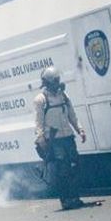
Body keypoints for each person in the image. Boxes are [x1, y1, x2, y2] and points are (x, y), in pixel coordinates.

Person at [34, 66, 87, 210]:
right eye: (55, 81)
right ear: (48, 82)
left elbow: (72, 115)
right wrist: (41, 139)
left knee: (74, 166)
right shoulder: (41, 100)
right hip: (54, 140)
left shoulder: (63, 96)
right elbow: (38, 122)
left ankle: (75, 197)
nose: (58, 83)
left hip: (68, 137)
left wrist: (80, 130)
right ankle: (66, 200)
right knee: (62, 170)